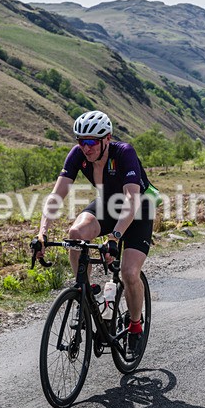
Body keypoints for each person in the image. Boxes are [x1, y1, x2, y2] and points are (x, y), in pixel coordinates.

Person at [35, 110, 155, 356]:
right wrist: (42, 233)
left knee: (129, 272)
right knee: (75, 233)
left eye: (90, 142)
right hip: (109, 204)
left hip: (138, 209)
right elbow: (56, 196)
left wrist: (115, 238)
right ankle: (86, 291)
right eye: (81, 141)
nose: (85, 147)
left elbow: (132, 199)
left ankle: (135, 326)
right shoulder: (78, 154)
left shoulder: (124, 153)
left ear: (107, 139)